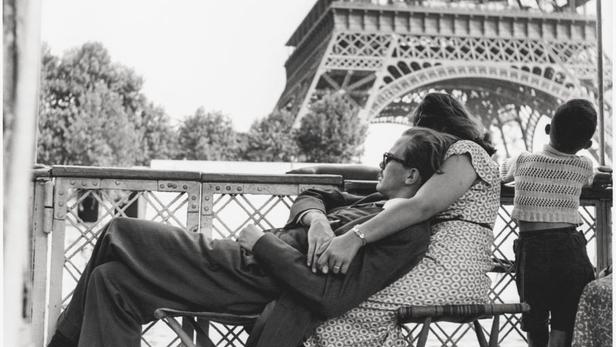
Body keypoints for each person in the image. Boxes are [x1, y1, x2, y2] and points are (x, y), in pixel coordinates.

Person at [47, 126, 455, 347]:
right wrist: (318, 221)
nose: (380, 164)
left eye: (388, 159)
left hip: (255, 275)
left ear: (412, 175)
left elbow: (331, 296)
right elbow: (315, 194)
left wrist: (259, 242)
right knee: (111, 282)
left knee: (121, 230)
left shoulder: (407, 235)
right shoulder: (373, 202)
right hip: (243, 267)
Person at [260, 92, 500, 346]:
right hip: (440, 264)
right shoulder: (453, 161)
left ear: (437, 127)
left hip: (449, 270)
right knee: (333, 298)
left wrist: (355, 238)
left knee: (339, 306)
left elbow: (421, 206)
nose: (419, 141)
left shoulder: (466, 152)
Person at [501, 99, 599, 347]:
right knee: (564, 326)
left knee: (535, 323)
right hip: (571, 249)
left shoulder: (523, 160)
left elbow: (499, 172)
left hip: (533, 251)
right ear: (587, 144)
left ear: (547, 129)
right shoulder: (584, 165)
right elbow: (592, 177)